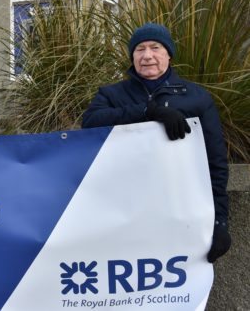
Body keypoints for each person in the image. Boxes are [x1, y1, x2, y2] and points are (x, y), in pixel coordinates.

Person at [81, 22, 231, 263]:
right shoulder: (111, 95)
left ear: (168, 55)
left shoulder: (197, 97)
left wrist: (220, 221)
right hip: (125, 211)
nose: (147, 56)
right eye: (140, 49)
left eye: (155, 47)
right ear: (132, 56)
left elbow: (215, 163)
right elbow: (90, 123)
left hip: (181, 210)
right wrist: (147, 112)